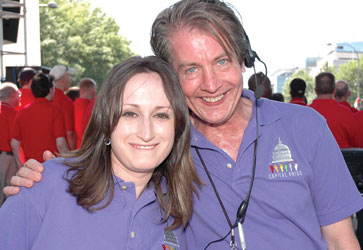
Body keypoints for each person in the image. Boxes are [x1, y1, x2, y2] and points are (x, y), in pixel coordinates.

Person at [6, 1, 363, 249]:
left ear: (244, 59)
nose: (210, 84)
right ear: (171, 78)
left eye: (221, 61)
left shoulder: (306, 127)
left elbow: (340, 240)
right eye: (191, 69)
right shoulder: (161, 148)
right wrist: (49, 177)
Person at [0, 56, 200, 249]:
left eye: (161, 115)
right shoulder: (48, 184)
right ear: (106, 122)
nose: (146, 132)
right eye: (130, 113)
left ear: (178, 127)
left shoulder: (180, 209)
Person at [10, 72, 69, 167]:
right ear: (50, 90)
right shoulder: (56, 111)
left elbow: (14, 143)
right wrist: (69, 161)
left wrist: (20, 164)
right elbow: (61, 143)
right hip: (51, 165)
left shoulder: (22, 112)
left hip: (31, 165)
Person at [309, 72, 360, 148]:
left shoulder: (306, 112)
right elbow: (356, 142)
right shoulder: (346, 112)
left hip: (313, 159)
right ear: (334, 91)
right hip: (343, 158)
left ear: (315, 91)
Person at [0, 82, 20, 206]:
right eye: (18, 95)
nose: (19, 98)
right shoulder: (12, 115)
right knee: (8, 194)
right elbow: (14, 141)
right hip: (7, 157)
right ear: (12, 95)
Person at [49, 65, 77, 150]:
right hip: (61, 153)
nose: (71, 79)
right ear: (63, 78)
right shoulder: (65, 101)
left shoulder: (45, 97)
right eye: (69, 76)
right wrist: (73, 153)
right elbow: (70, 132)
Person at [74, 78, 97, 148]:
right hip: (86, 148)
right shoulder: (91, 107)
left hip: (76, 147)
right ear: (92, 92)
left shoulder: (72, 104)